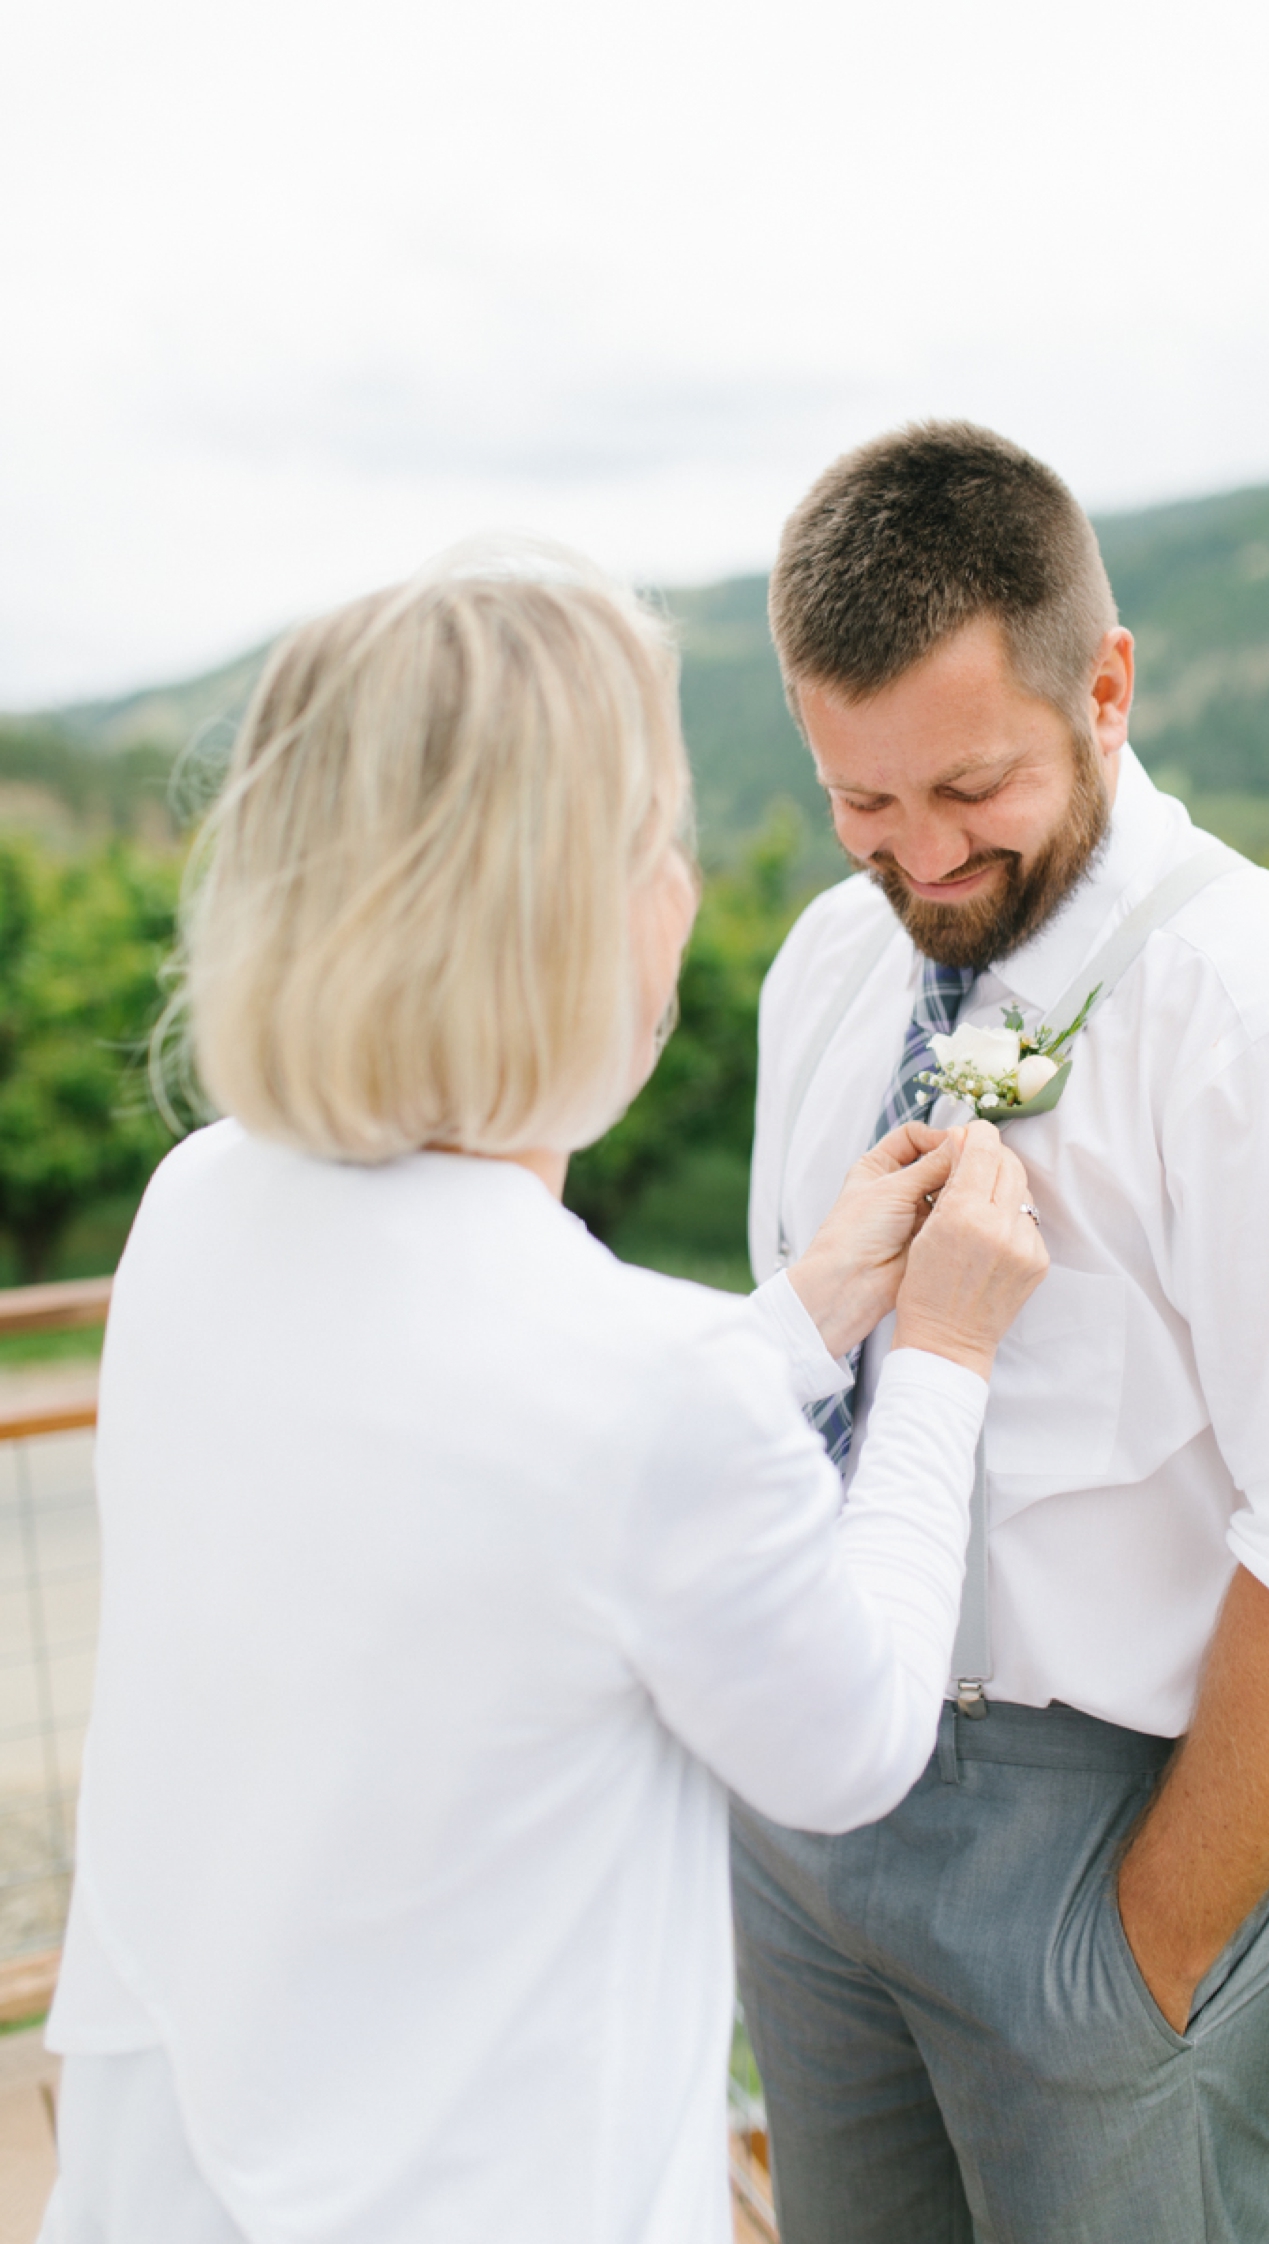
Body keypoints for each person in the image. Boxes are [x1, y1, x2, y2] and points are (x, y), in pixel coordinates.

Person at [37, 554, 1048, 2244]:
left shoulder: (201, 1203)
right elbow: (857, 1736)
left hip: (174, 2174)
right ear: (574, 915)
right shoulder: (639, 1391)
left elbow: (496, 1455)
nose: (681, 884)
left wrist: (802, 1315)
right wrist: (939, 1357)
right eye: (658, 840)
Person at [733, 422, 1269, 2244]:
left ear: (1110, 684)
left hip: (1101, 1837)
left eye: (970, 786)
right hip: (813, 1804)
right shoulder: (824, 968)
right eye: (862, 801)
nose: (917, 858)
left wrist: (1144, 1956)